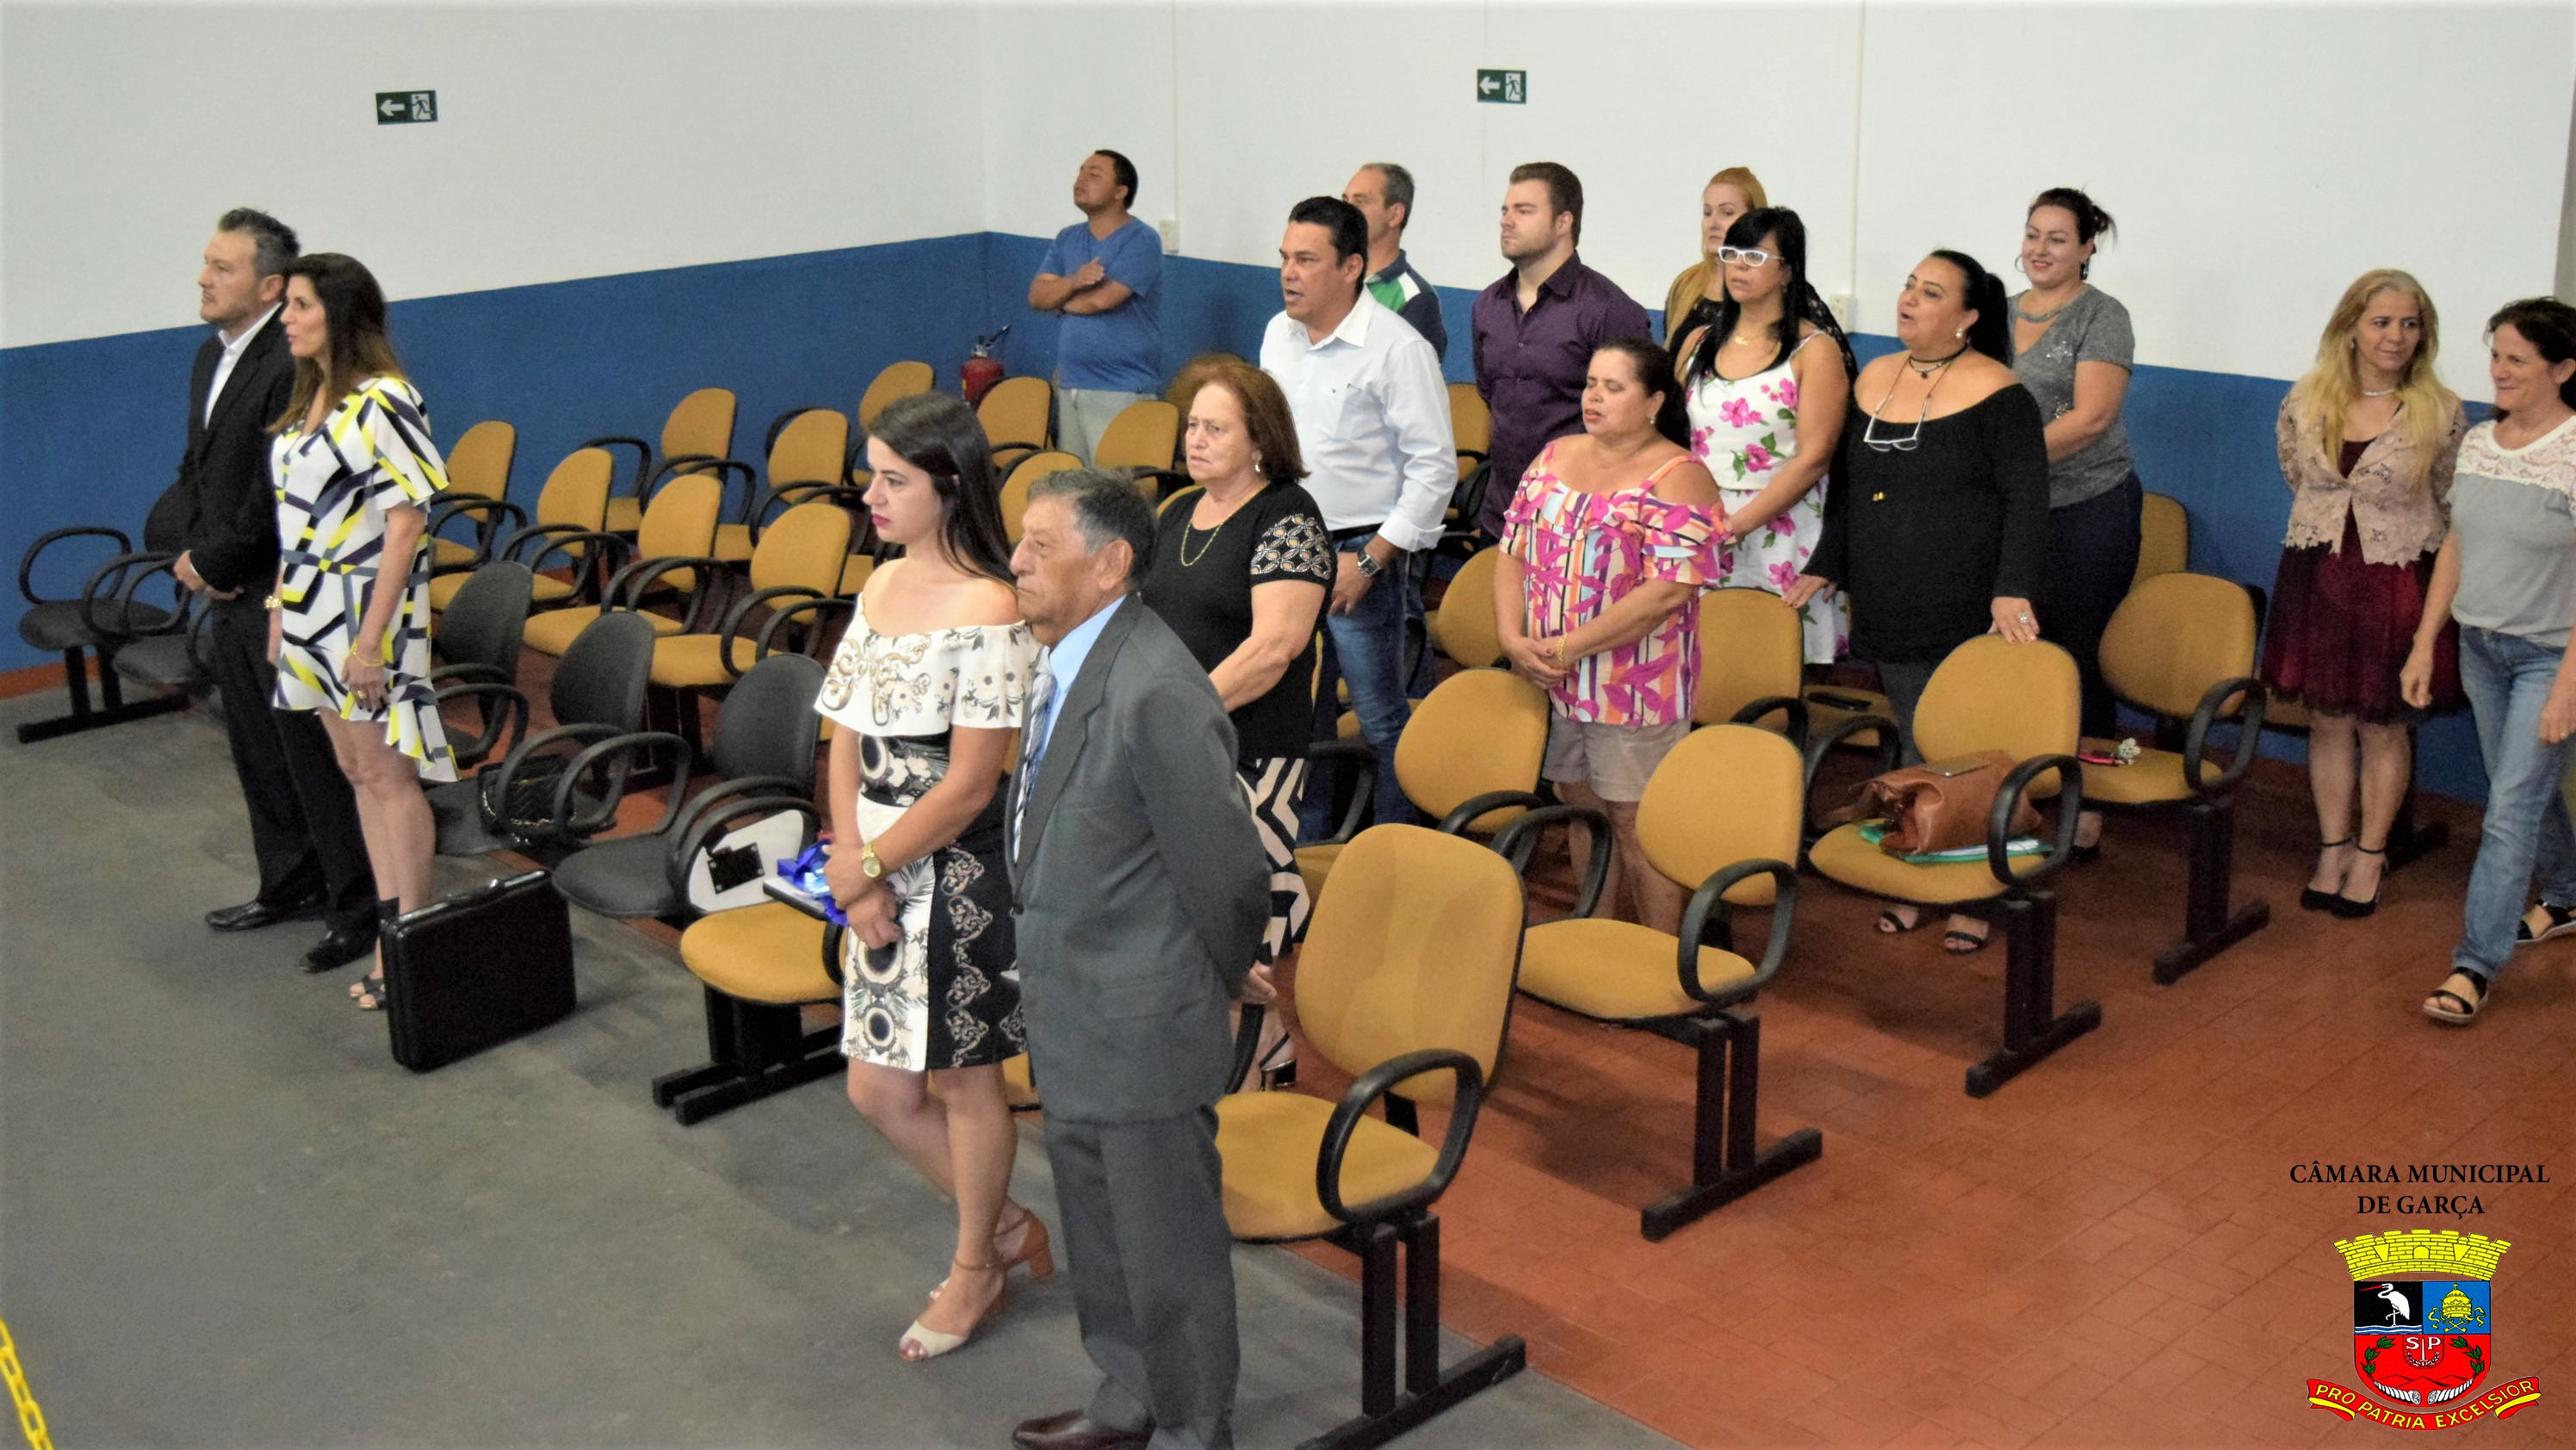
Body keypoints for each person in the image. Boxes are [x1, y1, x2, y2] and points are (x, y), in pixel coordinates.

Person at [1005, 469, 1271, 1450]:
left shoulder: (1155, 687)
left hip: (1141, 1012)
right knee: (1099, 1221)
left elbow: (1227, 869)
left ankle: (1195, 1427)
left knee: (1168, 1246)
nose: (1017, 562)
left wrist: (1218, 973)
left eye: (1040, 546)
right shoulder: (1070, 658)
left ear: (1110, 563)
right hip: (1075, 999)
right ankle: (1128, 1394)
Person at [812, 391, 1043, 1361]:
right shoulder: (878, 585)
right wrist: (848, 862)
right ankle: (1005, 1226)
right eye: (871, 477)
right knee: (877, 1089)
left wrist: (867, 866)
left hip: (954, 874)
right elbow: (843, 732)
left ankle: (976, 1265)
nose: (871, 496)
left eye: (892, 480)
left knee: (960, 1075)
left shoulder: (992, 608)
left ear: (949, 488)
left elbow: (970, 784)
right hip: (871, 868)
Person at [1787, 250, 2049, 952]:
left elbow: (2027, 499)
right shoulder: (1875, 375)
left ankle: (1977, 895)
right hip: (1888, 590)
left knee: (1962, 744)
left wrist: (2012, 589)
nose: (1909, 299)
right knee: (1912, 734)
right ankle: (1918, 864)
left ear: (1967, 317)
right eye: (1909, 285)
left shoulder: (2000, 394)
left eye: (1931, 293)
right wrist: (1827, 561)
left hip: (1965, 595)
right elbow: (1848, 487)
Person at [146, 210, 379, 974]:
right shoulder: (208, 357)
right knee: (258, 751)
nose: (203, 279)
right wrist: (185, 550)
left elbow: (275, 495)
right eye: (206, 263)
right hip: (228, 588)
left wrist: (215, 562)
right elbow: (200, 470)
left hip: (281, 588)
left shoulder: (289, 363)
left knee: (312, 758)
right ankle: (288, 883)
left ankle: (355, 908)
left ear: (271, 285)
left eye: (223, 268)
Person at [263, 253, 455, 1008]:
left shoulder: (387, 400)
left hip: (366, 613)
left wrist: (372, 642)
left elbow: (405, 527)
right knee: (357, 774)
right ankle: (390, 930)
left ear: (340, 316)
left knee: (388, 777)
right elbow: (297, 520)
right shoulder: (308, 397)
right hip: (310, 610)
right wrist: (280, 609)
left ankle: (414, 947)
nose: (286, 318)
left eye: (301, 305)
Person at [1141, 359, 1332, 1090]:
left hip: (1251, 753)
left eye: (1216, 428)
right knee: (1182, 921)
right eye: (1193, 425)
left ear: (1260, 440)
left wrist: (1180, 712)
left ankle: (1244, 1088)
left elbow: (1273, 649)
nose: (1196, 439)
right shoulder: (1179, 513)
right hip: (1177, 746)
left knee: (1229, 930)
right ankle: (1267, 1048)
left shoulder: (1288, 516)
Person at [1495, 339, 1724, 933]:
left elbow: (1669, 591)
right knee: (1582, 808)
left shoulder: (1681, 477)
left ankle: (1658, 955)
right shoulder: (1553, 456)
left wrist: (1568, 648)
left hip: (1633, 687)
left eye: (1613, 387)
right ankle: (1592, 933)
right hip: (1554, 676)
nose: (1593, 397)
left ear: (1654, 402)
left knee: (1634, 823)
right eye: (1591, 384)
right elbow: (1512, 551)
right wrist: (1511, 637)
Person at [2263, 270, 2469, 920]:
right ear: (2351, 326)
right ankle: (2333, 848)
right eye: (2381, 322)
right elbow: (2295, 473)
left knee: (2382, 725)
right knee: (2327, 721)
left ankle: (2372, 855)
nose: (2395, 336)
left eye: (2410, 324)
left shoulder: (2441, 410)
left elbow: (2451, 502)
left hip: (2396, 582)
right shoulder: (2306, 398)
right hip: (2317, 576)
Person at [1257, 196, 1454, 838]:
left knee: (1379, 717)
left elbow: (1434, 469)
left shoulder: (1397, 348)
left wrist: (1370, 560)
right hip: (1288, 540)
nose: (1289, 273)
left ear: (1351, 268)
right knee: (1297, 708)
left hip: (1361, 549)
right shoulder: (1277, 334)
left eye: (1306, 260)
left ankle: (1398, 844)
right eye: (1285, 258)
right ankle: (1307, 841)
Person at [2403, 297, 2576, 1026]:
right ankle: (2567, 893)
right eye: (2496, 356)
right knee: (2520, 787)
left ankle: (2473, 965)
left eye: (2517, 361)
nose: (2499, 372)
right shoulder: (2480, 442)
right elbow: (2457, 545)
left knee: (2507, 811)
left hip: (2552, 658)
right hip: (2481, 647)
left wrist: (2567, 687)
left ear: (2563, 370)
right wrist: (2425, 640)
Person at [2009, 187, 2142, 862]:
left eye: (2058, 238)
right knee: (2016, 653)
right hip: (2016, 511)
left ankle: (2085, 800)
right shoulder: (1997, 313)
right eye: (2034, 234)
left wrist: (2005, 462)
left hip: (2090, 507)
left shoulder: (2102, 316)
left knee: (2076, 653)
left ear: (2087, 248)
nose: (2041, 249)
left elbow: (2091, 419)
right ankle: (2018, 792)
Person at [1675, 206, 1855, 664]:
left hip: (1783, 526)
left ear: (1787, 272)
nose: (1738, 266)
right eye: (1732, 254)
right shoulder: (1698, 342)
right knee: (1705, 664)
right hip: (1703, 524)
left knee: (1776, 664)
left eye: (1755, 257)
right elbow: (1673, 437)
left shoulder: (1814, 350)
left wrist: (1739, 524)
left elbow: (1814, 458)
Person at [1471, 161, 1654, 541]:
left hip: (1580, 521)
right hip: (1502, 515)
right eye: (1505, 210)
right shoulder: (1488, 305)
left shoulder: (1607, 309)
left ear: (1563, 222)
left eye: (1524, 211)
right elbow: (1492, 396)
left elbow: (1636, 419)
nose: (1506, 221)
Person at [1029, 150, 1163, 464]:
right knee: (1075, 485)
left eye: (1094, 175)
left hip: (1122, 389)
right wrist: (1075, 280)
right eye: (1080, 172)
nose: (1081, 180)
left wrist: (1060, 298)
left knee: (1115, 486)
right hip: (1072, 383)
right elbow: (1037, 296)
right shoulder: (1067, 238)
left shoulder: (1142, 239)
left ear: (1120, 192)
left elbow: (1101, 300)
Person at [1341, 162, 1447, 361]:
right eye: (1345, 201)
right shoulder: (1331, 277)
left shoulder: (1416, 299)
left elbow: (1416, 375)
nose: (1346, 212)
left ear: (1395, 215)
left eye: (1360, 202)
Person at [1663, 166, 1768, 343]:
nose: (1713, 223)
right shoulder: (1685, 284)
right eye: (1707, 213)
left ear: (1754, 219)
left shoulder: (1775, 290)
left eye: (1727, 213)